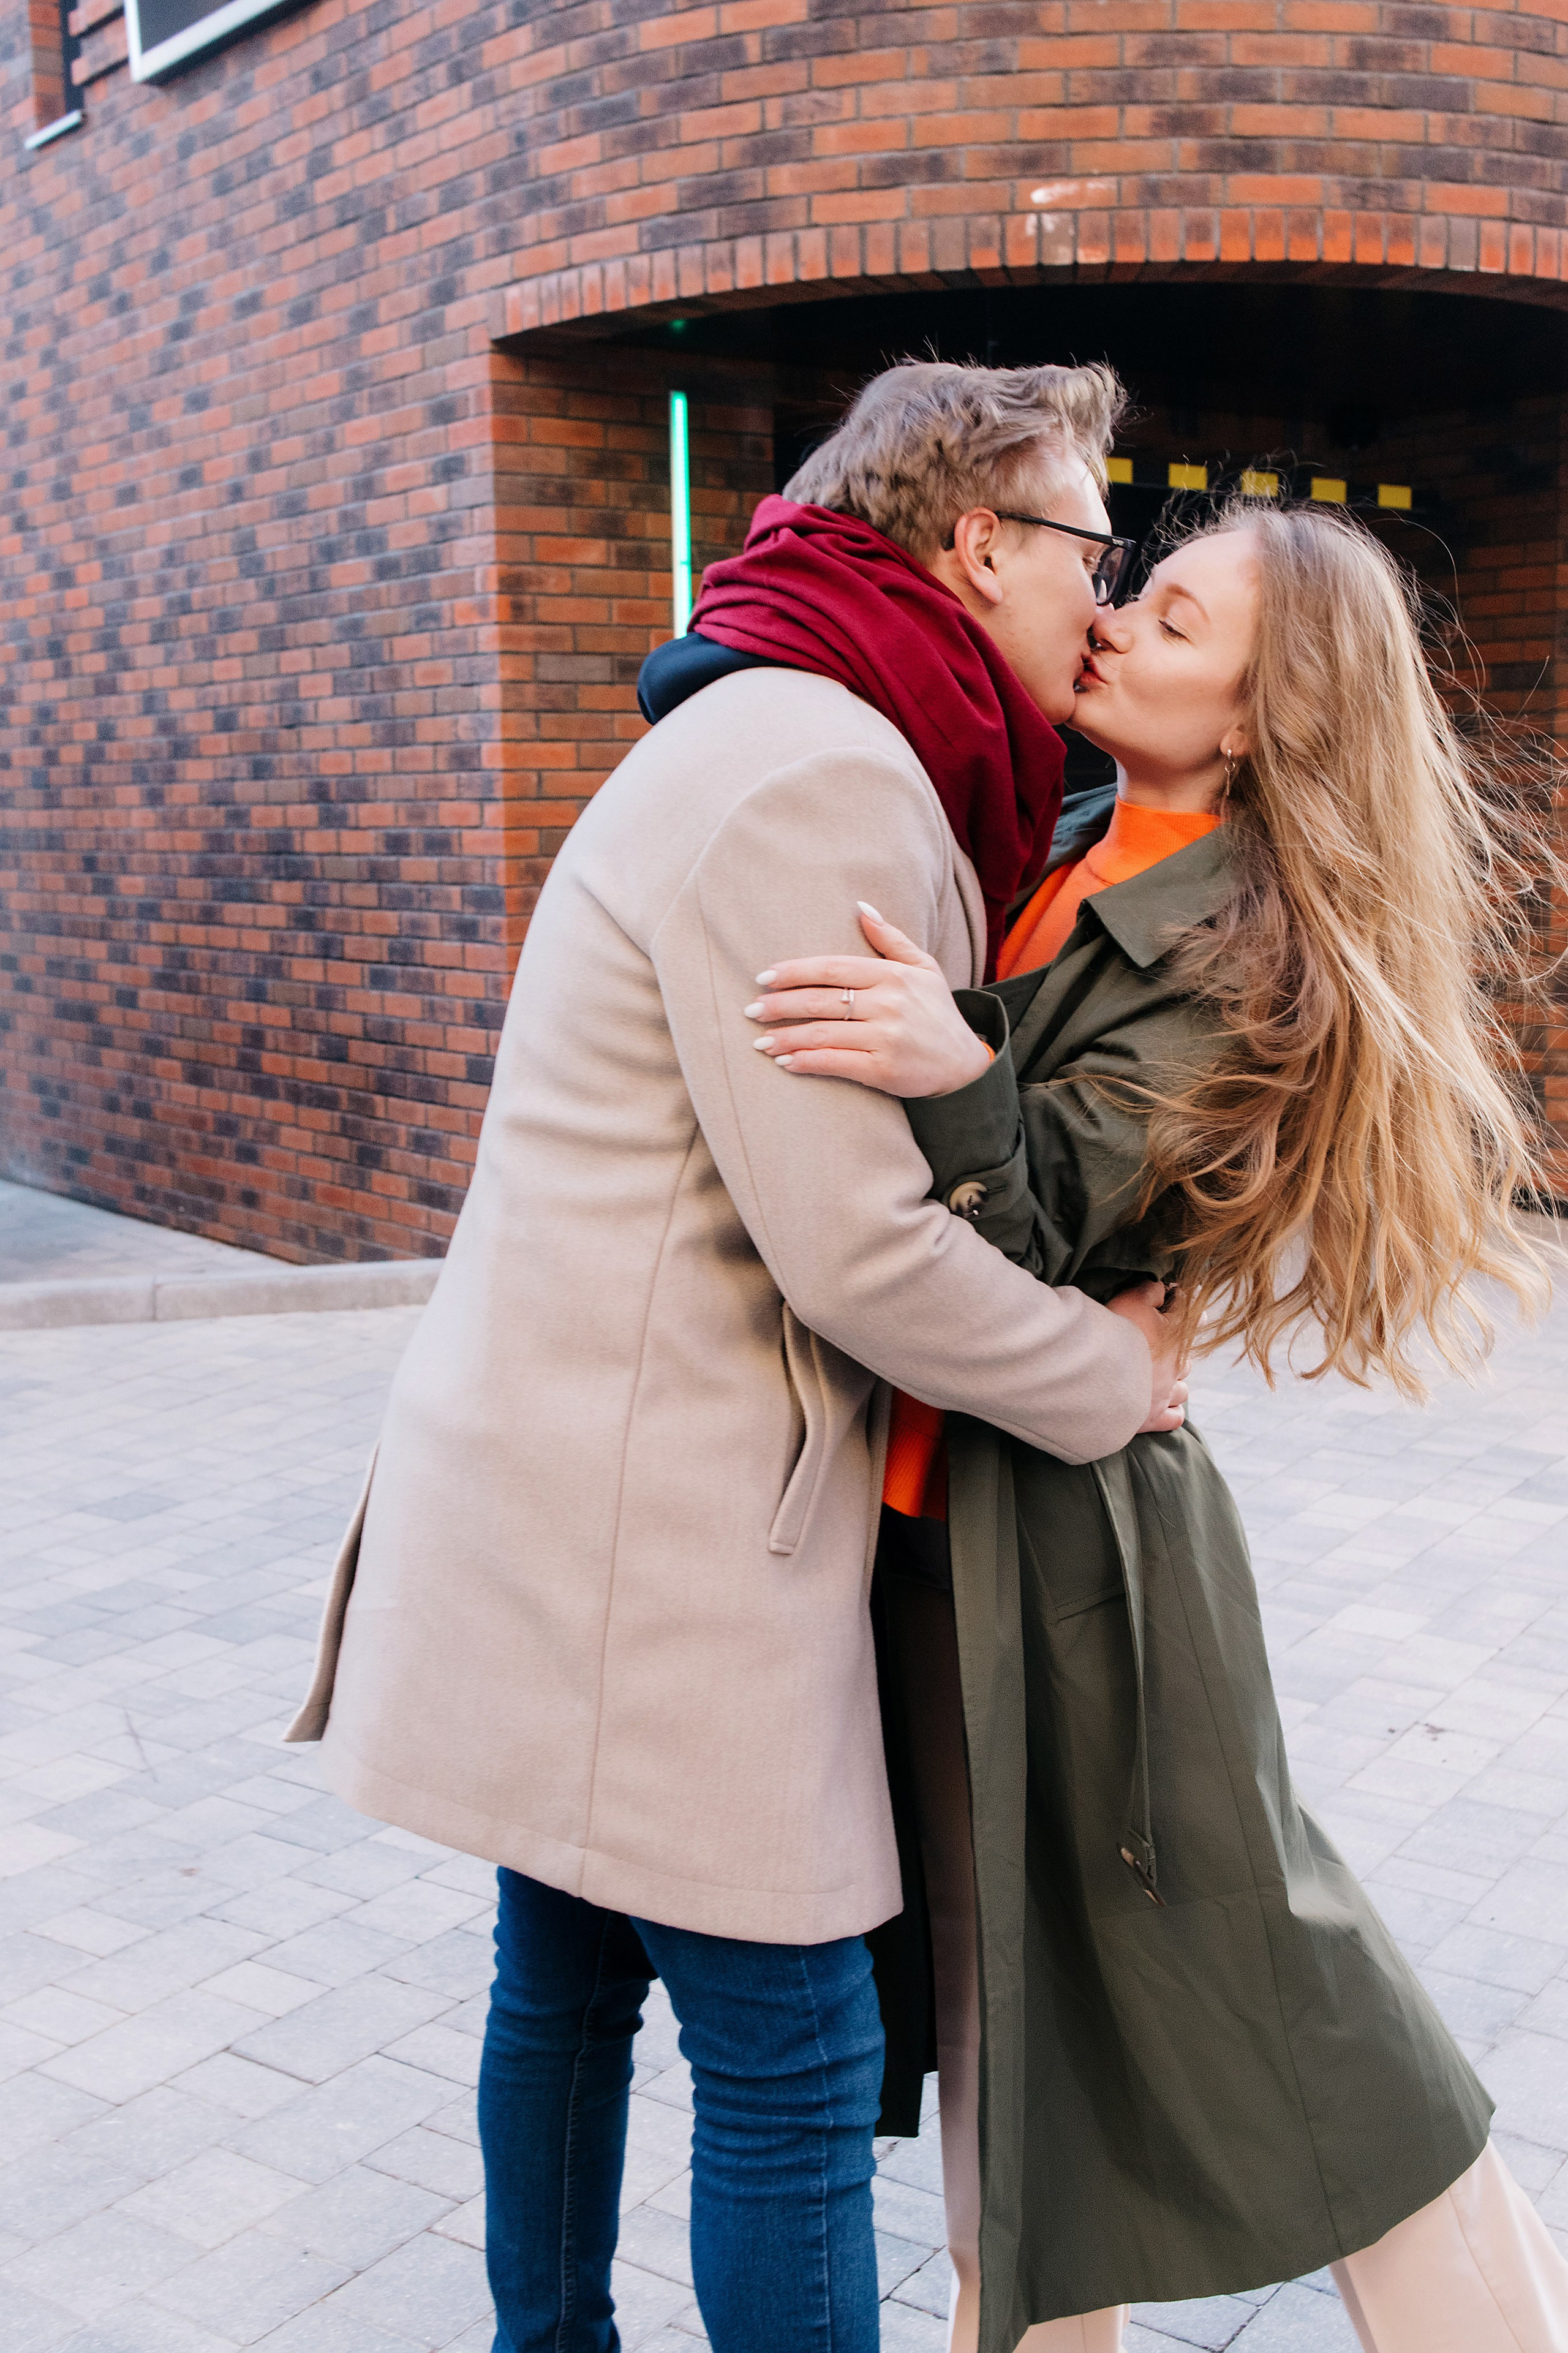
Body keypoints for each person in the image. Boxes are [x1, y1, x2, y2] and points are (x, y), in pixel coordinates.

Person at [283, 359, 1191, 2353]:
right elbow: (856, 1246)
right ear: (980, 543)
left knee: (565, 1978)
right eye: (1091, 544)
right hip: (657, 1534)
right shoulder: (827, 773)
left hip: (573, 1480)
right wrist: (1107, 1374)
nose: (1104, 592)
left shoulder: (784, 714)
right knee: (793, 2048)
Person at [748, 500, 1568, 2353]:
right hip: (952, 1530)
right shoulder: (1059, 844)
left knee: (1293, 2004)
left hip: (1083, 1564)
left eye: (1177, 622)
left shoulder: (1250, 949)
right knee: (1015, 2041)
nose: (1114, 623)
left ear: (1266, 717)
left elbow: (1055, 1220)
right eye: (1137, 589)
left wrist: (958, 1070)